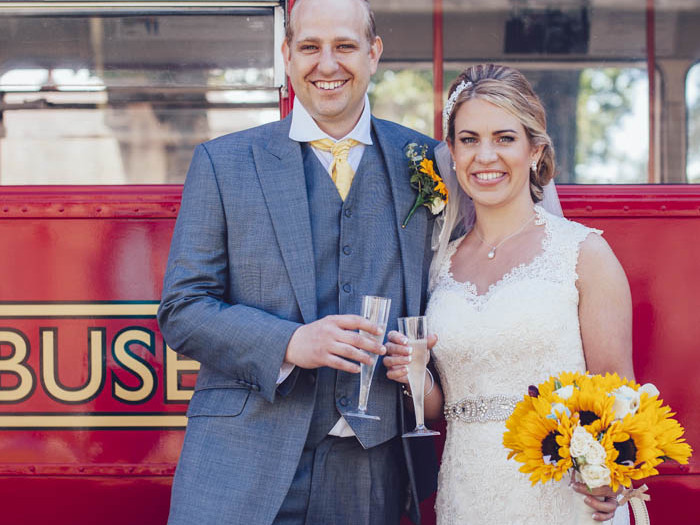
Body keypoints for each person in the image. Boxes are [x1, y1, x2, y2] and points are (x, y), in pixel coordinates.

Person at [157, 0, 439, 524]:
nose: (326, 64)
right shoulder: (224, 162)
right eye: (309, 47)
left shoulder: (424, 161)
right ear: (287, 56)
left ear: (374, 54)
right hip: (243, 459)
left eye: (345, 46)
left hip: (373, 468)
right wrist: (290, 343)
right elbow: (182, 309)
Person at [384, 64, 635, 524]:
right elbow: (443, 407)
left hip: (560, 498)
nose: (485, 156)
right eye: (469, 139)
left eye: (504, 138)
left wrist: (608, 476)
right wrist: (415, 376)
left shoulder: (584, 253)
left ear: (535, 150)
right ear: (452, 154)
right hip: (466, 492)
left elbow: (619, 395)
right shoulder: (439, 264)